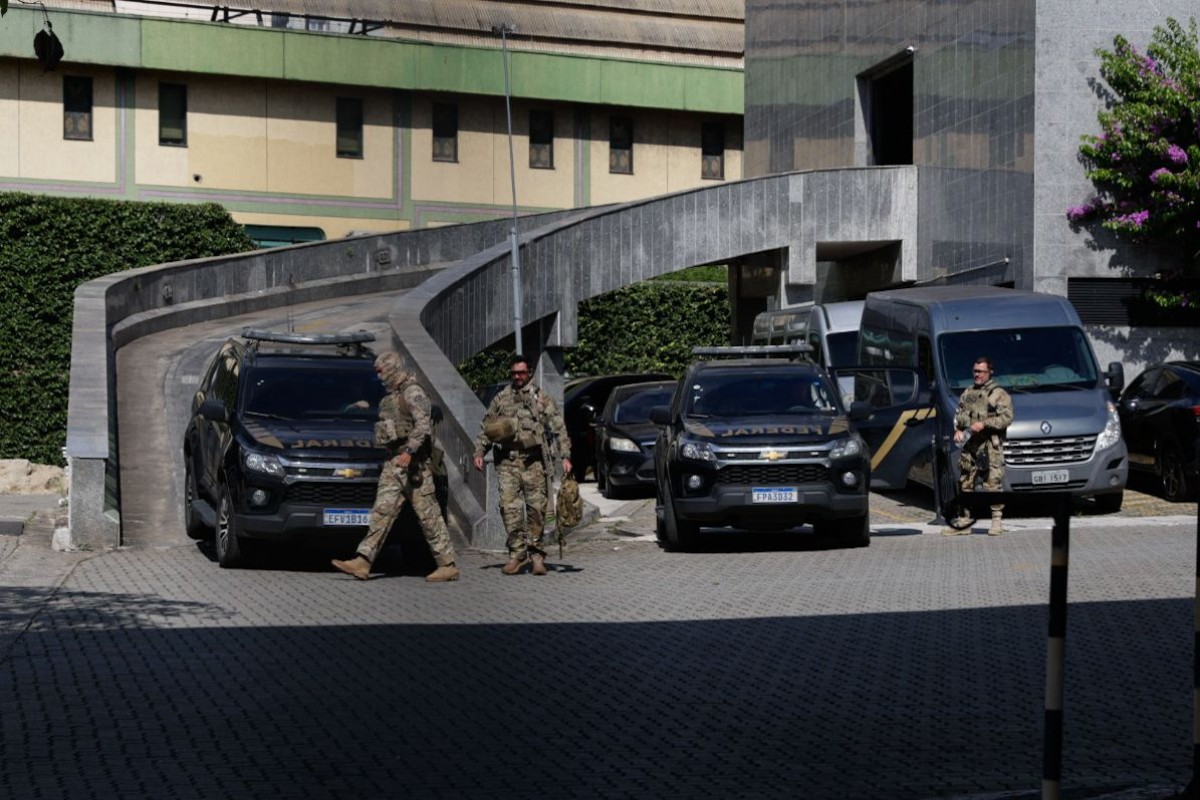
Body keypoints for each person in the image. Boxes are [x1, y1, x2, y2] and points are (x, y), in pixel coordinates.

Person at [332, 352, 460, 582]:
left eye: (380, 371)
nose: (379, 377)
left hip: (413, 466)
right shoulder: (394, 395)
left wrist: (409, 451)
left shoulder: (412, 392)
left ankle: (447, 564)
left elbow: (423, 426)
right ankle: (363, 560)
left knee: (428, 516)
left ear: (391, 369)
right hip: (393, 463)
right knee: (381, 512)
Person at [473, 355, 572, 575]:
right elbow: (487, 428)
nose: (517, 376)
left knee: (536, 511)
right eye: (514, 373)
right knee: (509, 509)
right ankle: (516, 555)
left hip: (533, 463)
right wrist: (479, 451)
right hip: (508, 463)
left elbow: (559, 427)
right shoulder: (501, 398)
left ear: (529, 373)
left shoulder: (540, 398)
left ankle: (536, 556)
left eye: (521, 372)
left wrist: (565, 456)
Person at [943, 355, 1013, 536]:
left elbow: (1006, 418)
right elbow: (959, 415)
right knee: (965, 483)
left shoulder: (998, 394)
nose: (977, 375)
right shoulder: (967, 393)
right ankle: (964, 522)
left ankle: (996, 522)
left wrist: (984, 424)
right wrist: (958, 430)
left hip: (989, 446)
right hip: (970, 446)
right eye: (975, 371)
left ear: (990, 372)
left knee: (993, 484)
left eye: (981, 371)